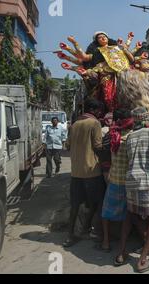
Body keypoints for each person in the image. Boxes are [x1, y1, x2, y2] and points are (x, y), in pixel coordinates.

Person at [116, 107, 149, 273]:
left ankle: (121, 253)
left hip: (131, 179)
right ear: (146, 119)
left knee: (130, 215)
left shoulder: (130, 136)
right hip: (146, 180)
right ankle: (142, 260)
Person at [64, 99, 106, 248]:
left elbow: (67, 145)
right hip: (92, 171)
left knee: (75, 205)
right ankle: (96, 232)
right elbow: (98, 145)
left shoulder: (74, 124)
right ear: (94, 110)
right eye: (98, 111)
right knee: (99, 202)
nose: (100, 113)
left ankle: (71, 235)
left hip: (76, 172)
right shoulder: (94, 123)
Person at [98, 109, 134, 252]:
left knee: (106, 212)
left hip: (113, 179)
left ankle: (106, 241)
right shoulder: (132, 137)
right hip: (128, 181)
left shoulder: (112, 134)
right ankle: (123, 242)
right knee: (127, 214)